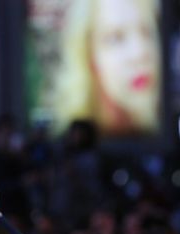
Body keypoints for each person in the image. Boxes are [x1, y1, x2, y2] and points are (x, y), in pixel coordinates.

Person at [51, 0, 161, 137]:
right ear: (89, 57)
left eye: (147, 32)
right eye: (116, 38)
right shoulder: (70, 135)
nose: (139, 53)